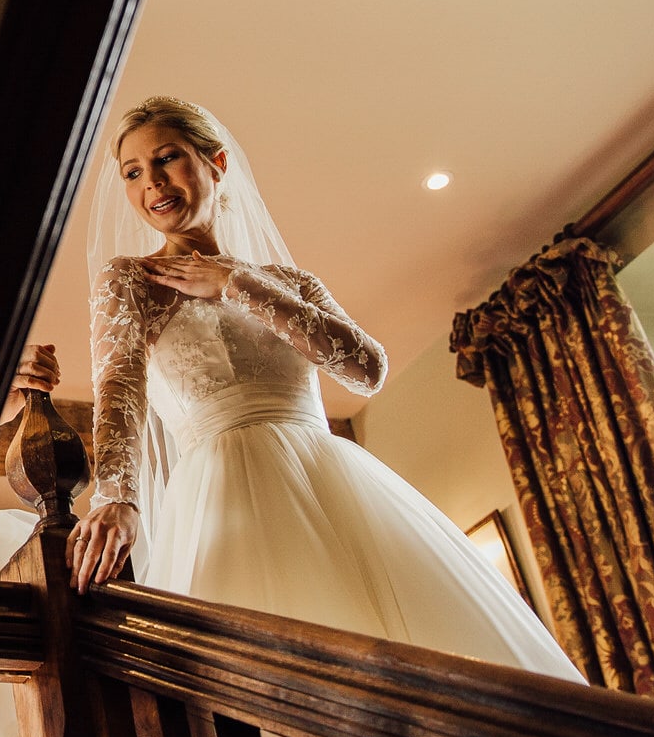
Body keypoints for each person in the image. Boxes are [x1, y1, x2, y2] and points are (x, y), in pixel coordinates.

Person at [57, 95, 576, 679]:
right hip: (222, 484)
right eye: (133, 173)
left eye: (168, 159)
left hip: (331, 476)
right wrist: (116, 497)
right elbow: (118, 390)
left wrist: (236, 282)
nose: (152, 183)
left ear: (216, 164)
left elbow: (366, 369)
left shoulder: (291, 282)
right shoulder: (131, 279)